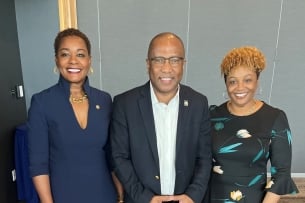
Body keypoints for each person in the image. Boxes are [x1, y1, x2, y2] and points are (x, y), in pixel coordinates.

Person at [110, 32, 212, 203]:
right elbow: (119, 157)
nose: (167, 68)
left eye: (174, 60)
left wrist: (192, 196)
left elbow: (205, 157)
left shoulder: (198, 103)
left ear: (183, 64)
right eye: (158, 60)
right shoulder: (124, 104)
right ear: (147, 64)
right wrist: (145, 198)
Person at [27, 28, 119, 203]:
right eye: (65, 54)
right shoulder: (42, 103)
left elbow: (112, 155)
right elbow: (38, 164)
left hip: (104, 194)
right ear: (56, 60)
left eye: (81, 55)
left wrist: (120, 194)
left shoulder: (105, 100)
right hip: (63, 195)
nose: (73, 61)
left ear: (89, 60)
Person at [208, 46, 299, 202]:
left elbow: (281, 174)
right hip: (211, 198)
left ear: (257, 81)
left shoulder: (275, 118)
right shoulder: (212, 116)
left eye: (247, 80)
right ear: (226, 84)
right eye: (233, 81)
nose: (240, 87)